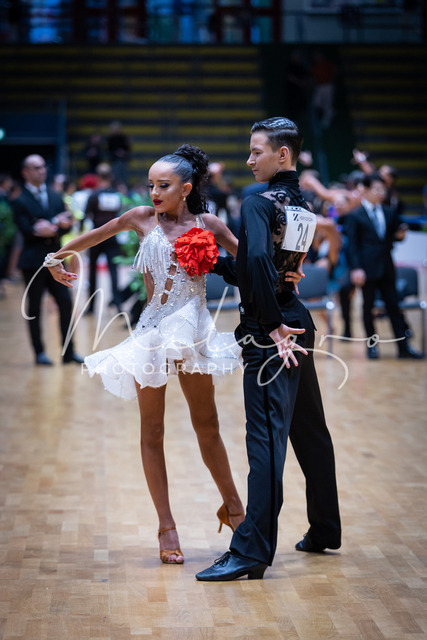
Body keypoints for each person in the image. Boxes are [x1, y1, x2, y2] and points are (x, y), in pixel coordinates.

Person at [43, 145, 301, 564]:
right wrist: (55, 257)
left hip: (193, 335)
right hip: (152, 336)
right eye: (150, 185)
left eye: (163, 185)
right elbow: (93, 236)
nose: (154, 193)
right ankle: (166, 525)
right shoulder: (140, 218)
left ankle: (234, 507)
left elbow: (252, 261)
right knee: (153, 431)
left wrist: (286, 272)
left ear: (186, 188)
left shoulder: (207, 224)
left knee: (208, 426)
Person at [196, 117, 342, 582]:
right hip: (299, 322)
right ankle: (325, 528)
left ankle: (251, 551)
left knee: (265, 443)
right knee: (310, 430)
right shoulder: (304, 205)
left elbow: (259, 260)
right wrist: (215, 261)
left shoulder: (256, 201)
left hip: (272, 332)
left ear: (282, 154)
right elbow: (274, 269)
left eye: (256, 151)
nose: (248, 160)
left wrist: (271, 324)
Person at [12, 154, 83, 366]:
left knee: (65, 303)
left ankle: (69, 352)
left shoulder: (55, 196)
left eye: (43, 166)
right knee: (34, 308)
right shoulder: (20, 200)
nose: (42, 170)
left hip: (55, 260)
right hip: (33, 262)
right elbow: (27, 230)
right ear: (26, 172)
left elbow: (66, 225)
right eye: (36, 167)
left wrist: (54, 226)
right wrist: (54, 224)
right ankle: (39, 353)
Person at [346, 173, 423, 360]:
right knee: (368, 308)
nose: (381, 193)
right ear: (365, 190)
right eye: (377, 189)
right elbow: (352, 245)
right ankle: (372, 347)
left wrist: (400, 235)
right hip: (366, 268)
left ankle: (403, 348)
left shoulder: (389, 212)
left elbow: (396, 233)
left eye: (383, 189)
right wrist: (356, 268)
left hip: (387, 266)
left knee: (394, 307)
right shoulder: (355, 215)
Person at [84, 163, 123, 315]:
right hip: (112, 236)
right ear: (111, 177)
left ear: (98, 177)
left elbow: (87, 215)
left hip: (96, 237)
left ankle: (91, 307)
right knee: (113, 271)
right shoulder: (116, 195)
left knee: (92, 271)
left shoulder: (94, 195)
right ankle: (118, 304)